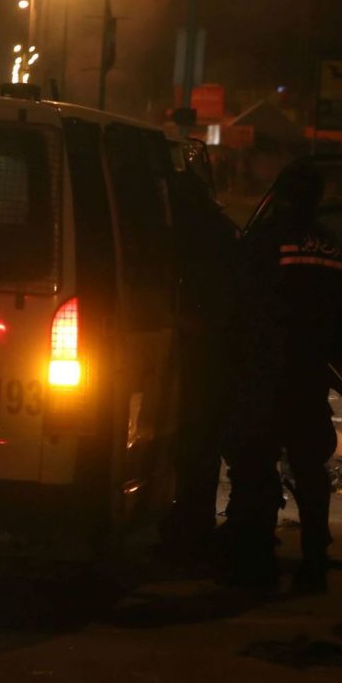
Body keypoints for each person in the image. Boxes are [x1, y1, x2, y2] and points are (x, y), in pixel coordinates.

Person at [221, 159, 342, 593]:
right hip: (311, 376)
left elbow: (238, 303)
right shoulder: (332, 247)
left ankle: (253, 561)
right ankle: (315, 559)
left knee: (255, 464)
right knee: (310, 470)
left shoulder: (265, 239)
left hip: (266, 373)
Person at [158, 171, 241, 562]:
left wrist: (183, 324)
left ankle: (191, 526)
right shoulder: (222, 232)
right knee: (202, 445)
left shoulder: (192, 234)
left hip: (206, 353)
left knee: (196, 442)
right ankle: (196, 522)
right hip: (217, 353)